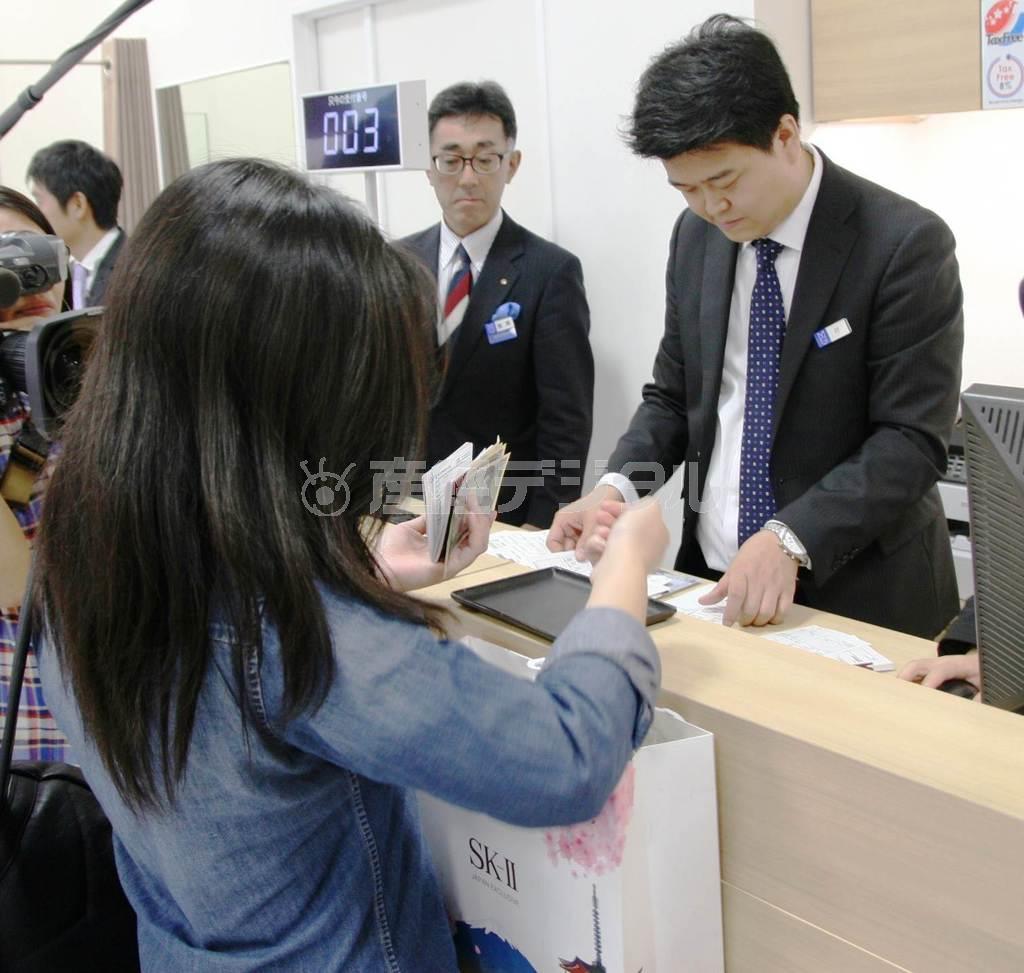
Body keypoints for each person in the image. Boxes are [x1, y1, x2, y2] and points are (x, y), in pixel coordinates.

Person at [34, 158, 667, 971]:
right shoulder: (298, 635)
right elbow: (566, 758)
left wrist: (357, 572)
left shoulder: (81, 555)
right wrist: (622, 575)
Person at [548, 15, 964, 638]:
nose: (711, 207)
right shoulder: (697, 237)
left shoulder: (902, 243)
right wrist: (614, 488)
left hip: (861, 593)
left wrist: (791, 535)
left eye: (725, 180)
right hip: (712, 582)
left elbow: (911, 438)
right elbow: (674, 397)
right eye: (687, 189)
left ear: (786, 134)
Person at [401, 81, 594, 528]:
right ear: (428, 167)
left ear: (512, 164)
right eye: (451, 160)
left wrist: (543, 520)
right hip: (406, 504)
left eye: (485, 159)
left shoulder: (550, 271)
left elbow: (565, 416)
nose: (468, 178)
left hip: (504, 512)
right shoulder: (397, 262)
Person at [0, 186, 70, 761]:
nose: (30, 281)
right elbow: (15, 589)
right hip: (26, 742)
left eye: (40, 253)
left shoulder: (99, 385)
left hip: (124, 731)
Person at [27, 139, 125, 307]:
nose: (35, 212)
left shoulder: (134, 269)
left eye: (39, 200)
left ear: (78, 204)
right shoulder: (65, 274)